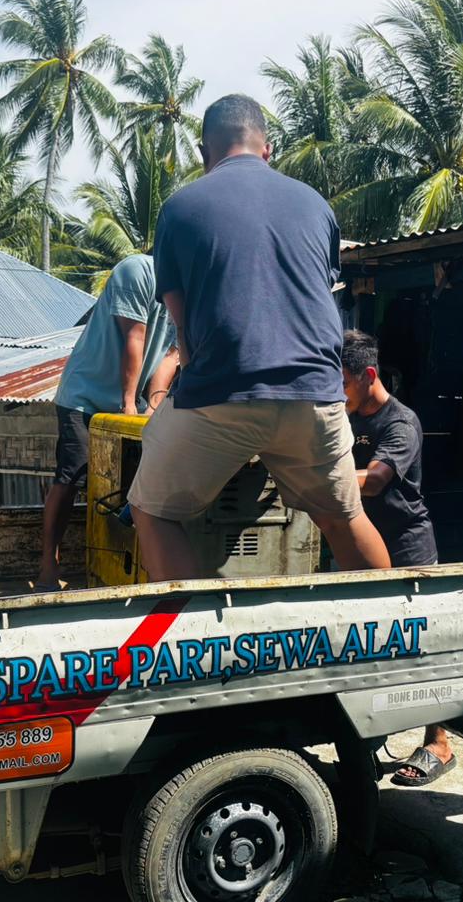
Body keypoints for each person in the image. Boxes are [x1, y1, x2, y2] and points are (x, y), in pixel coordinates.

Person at [127, 94, 391, 579]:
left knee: (151, 509)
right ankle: (391, 614)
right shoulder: (316, 205)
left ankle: (190, 624)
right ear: (267, 150)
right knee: (343, 518)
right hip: (316, 393)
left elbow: (183, 325)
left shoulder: (180, 207)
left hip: (222, 392)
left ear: (204, 153)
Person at [341, 330, 450, 786]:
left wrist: (319, 478)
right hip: (360, 547)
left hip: (407, 547)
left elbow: (376, 480)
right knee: (365, 646)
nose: (338, 392)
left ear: (369, 375)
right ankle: (368, 737)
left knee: (421, 648)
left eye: (344, 382)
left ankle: (438, 742)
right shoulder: (344, 417)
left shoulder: (400, 422)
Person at [35, 254, 178, 590]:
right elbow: (134, 338)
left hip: (133, 400)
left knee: (135, 482)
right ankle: (47, 565)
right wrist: (128, 405)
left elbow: (171, 356)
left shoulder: (194, 289)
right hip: (85, 394)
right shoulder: (137, 271)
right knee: (72, 475)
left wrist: (152, 406)